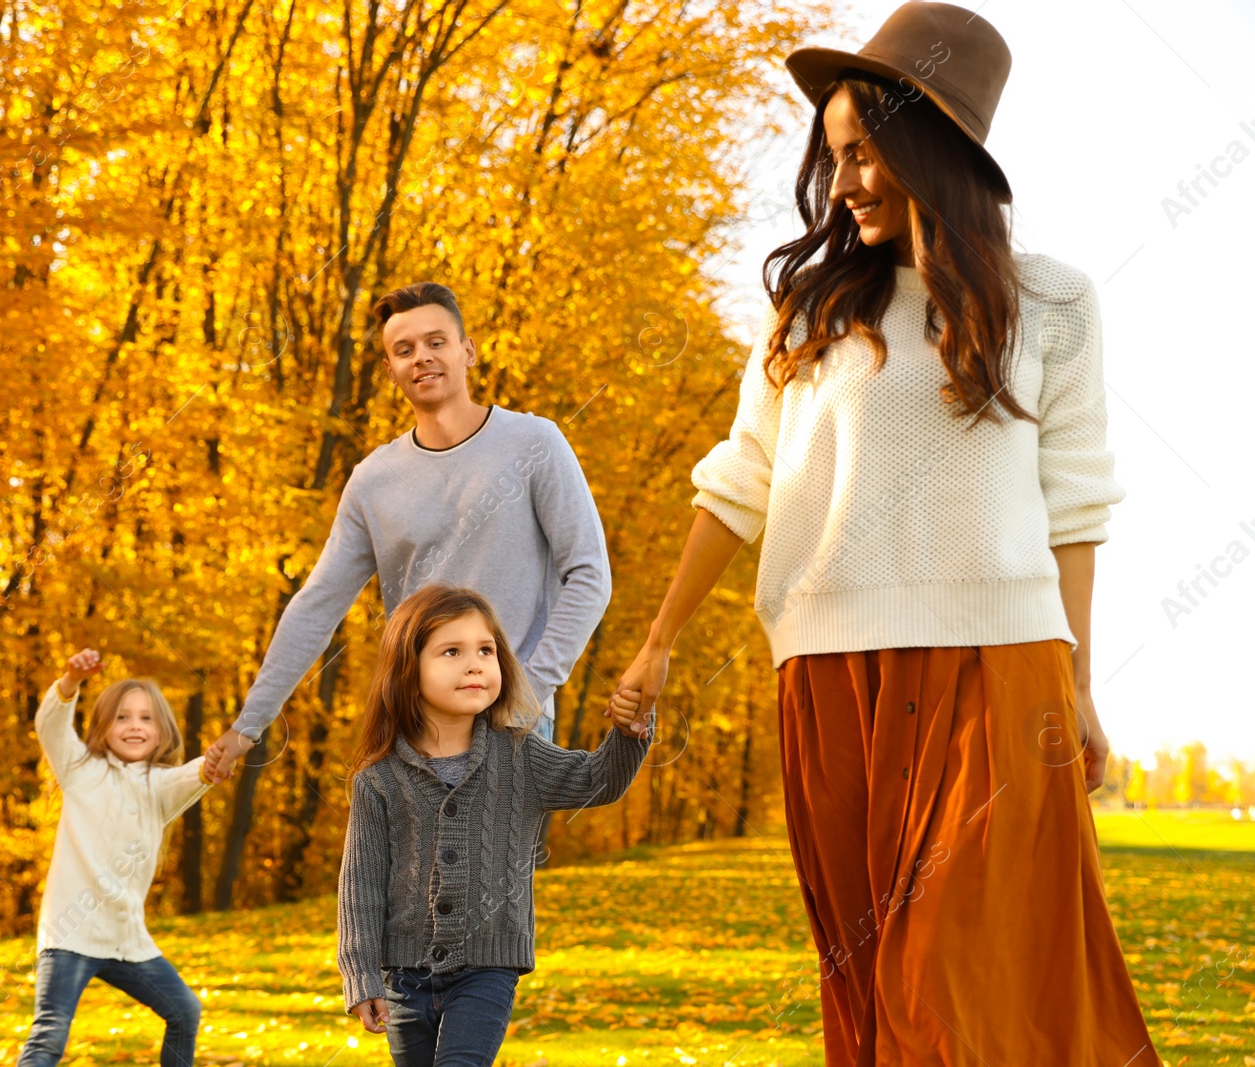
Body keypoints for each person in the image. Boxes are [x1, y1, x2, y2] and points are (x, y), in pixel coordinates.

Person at [607, 4, 1163, 1064]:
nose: (844, 179)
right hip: (826, 676)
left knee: (945, 980)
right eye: (834, 156)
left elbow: (1076, 505)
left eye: (863, 151)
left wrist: (1079, 685)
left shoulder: (1052, 301)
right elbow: (739, 480)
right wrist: (658, 637)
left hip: (998, 675)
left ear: (927, 146)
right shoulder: (807, 316)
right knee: (868, 988)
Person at [202, 282, 611, 783]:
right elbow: (318, 604)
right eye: (404, 349)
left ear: (468, 351)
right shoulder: (373, 480)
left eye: (436, 342)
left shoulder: (534, 443)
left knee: (494, 865)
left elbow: (589, 574)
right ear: (392, 370)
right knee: (383, 864)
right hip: (412, 725)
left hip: (511, 729)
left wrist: (526, 693)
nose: (422, 357)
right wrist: (249, 724)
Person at [337, 583, 649, 1066]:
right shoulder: (378, 780)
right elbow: (361, 887)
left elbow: (596, 780)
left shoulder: (520, 755)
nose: (475, 663)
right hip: (404, 976)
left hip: (488, 967)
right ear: (408, 669)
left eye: (486, 650)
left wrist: (630, 730)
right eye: (452, 651)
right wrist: (361, 976)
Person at [17, 648, 219, 1067]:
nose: (134, 727)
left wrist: (222, 759)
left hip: (127, 940)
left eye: (146, 718)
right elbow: (50, 724)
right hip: (70, 936)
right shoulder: (78, 768)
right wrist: (71, 679)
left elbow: (196, 773)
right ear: (103, 727)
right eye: (122, 717)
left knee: (185, 1011)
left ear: (162, 731)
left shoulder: (159, 787)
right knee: (50, 1035)